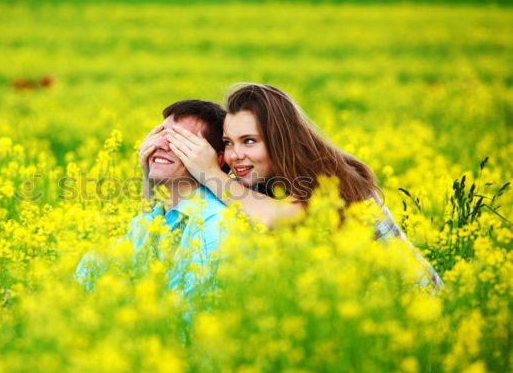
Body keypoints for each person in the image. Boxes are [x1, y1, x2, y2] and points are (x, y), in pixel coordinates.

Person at [164, 83, 442, 291]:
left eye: (249, 141)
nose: (236, 155)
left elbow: (275, 218)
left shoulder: (330, 182)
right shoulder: (253, 187)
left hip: (416, 310)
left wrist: (211, 173)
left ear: (279, 140)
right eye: (228, 142)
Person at [77, 99, 229, 300]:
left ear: (216, 159)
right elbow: (86, 277)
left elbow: (193, 310)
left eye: (179, 139)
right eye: (160, 134)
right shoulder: (153, 218)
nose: (159, 145)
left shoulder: (215, 223)